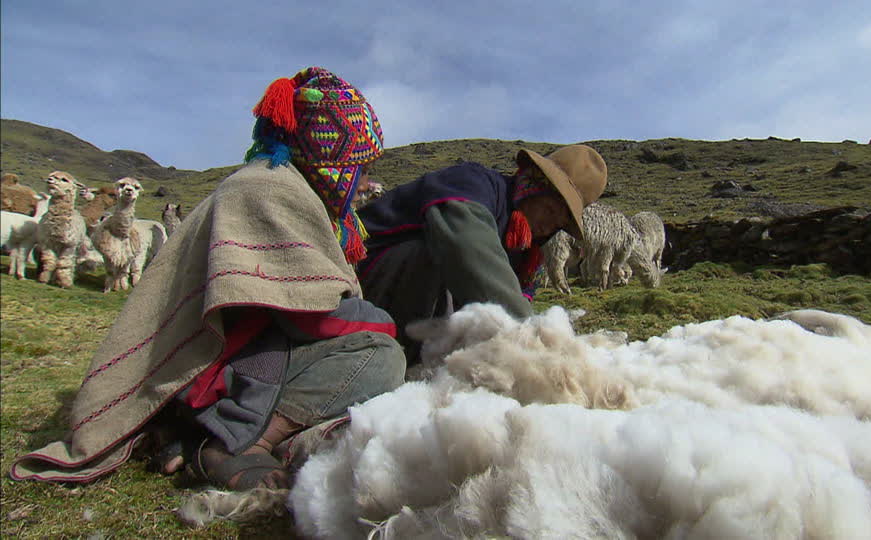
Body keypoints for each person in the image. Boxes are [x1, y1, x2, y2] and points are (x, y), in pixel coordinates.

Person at [10, 67, 405, 491]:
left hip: (234, 360)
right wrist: (382, 322)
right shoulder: (269, 191)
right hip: (211, 368)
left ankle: (191, 431)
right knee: (379, 357)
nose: (361, 179)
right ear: (329, 154)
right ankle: (234, 440)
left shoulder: (285, 189)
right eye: (358, 163)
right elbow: (306, 315)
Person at [357, 143, 607, 362]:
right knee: (435, 252)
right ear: (532, 184)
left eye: (559, 224)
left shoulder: (526, 253)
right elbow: (469, 248)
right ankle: (397, 357)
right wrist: (534, 337)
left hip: (421, 317)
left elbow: (513, 297)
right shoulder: (473, 182)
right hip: (363, 288)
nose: (549, 226)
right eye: (550, 211)